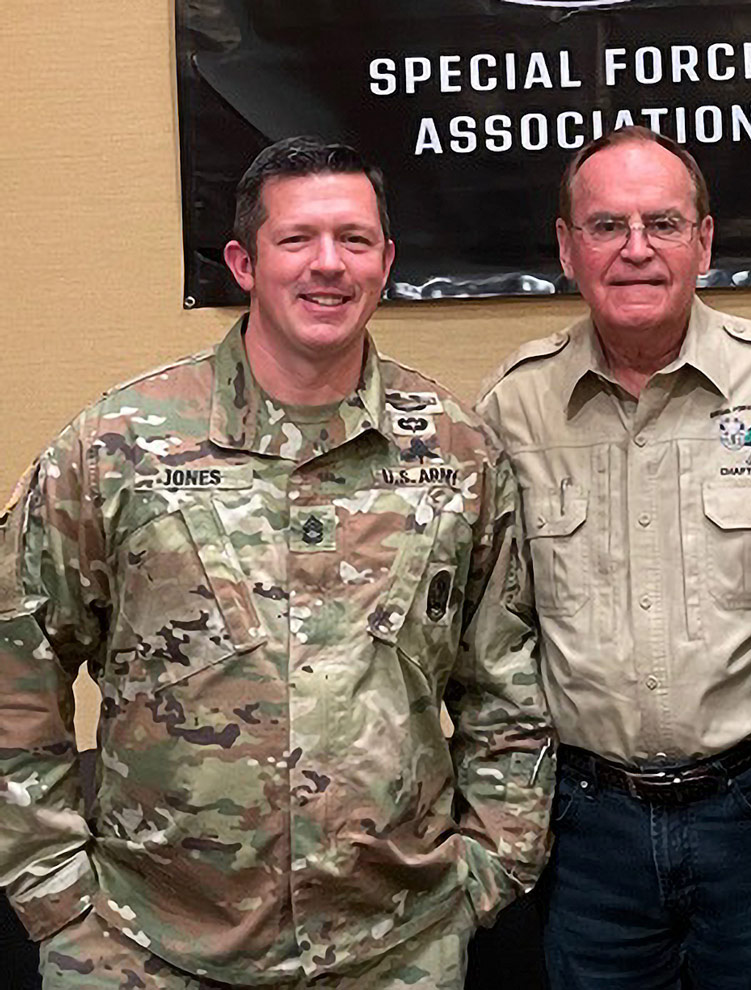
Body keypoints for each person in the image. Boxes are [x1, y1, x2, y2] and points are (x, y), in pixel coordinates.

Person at [0, 136, 554, 989]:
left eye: (354, 239)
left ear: (388, 261)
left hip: (393, 950)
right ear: (243, 262)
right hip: (145, 948)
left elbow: (508, 689)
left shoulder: (456, 453)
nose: (327, 265)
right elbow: (16, 664)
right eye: (296, 239)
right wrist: (56, 893)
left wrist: (486, 874)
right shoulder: (118, 447)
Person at [476, 125, 751, 989]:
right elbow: (495, 636)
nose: (637, 250)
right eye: (607, 226)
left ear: (706, 240)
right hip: (587, 826)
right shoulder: (515, 408)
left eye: (663, 223)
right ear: (567, 250)